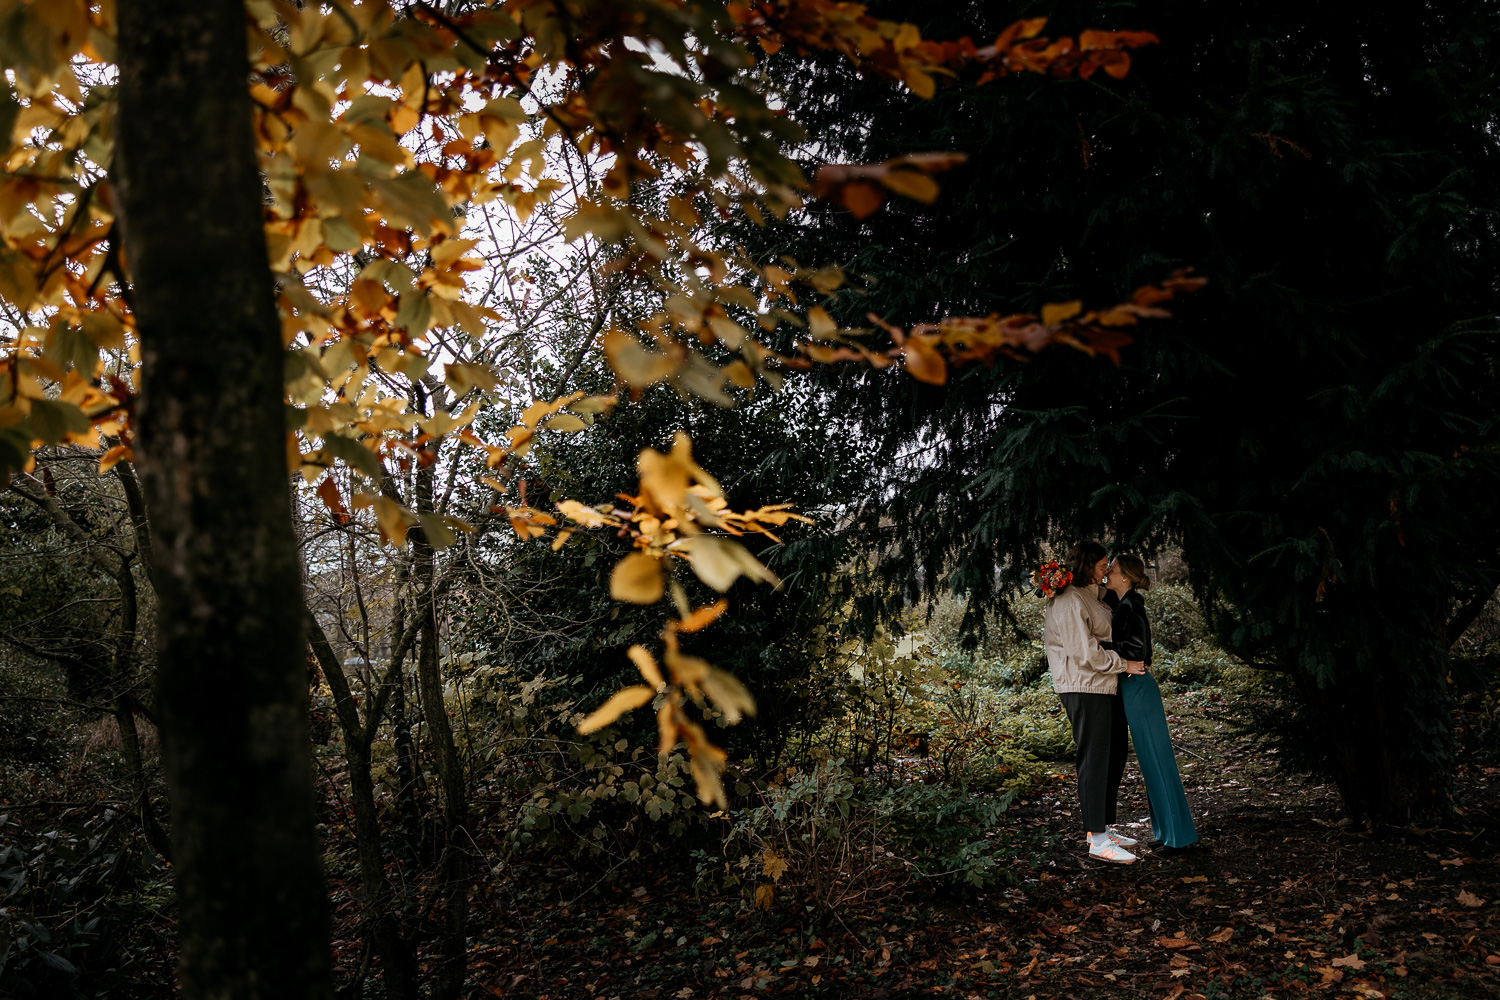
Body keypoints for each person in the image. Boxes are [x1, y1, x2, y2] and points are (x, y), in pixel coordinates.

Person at [1043, 540, 1147, 864]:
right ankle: (1096, 840)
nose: (1108, 569)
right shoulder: (1069, 600)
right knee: (1094, 757)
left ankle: (1105, 827)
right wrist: (1123, 663)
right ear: (1089, 565)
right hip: (1084, 686)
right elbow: (1084, 653)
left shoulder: (1090, 595)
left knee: (1114, 754)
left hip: (1104, 686)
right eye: (1104, 564)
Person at [1101, 555, 1199, 853]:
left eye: (1113, 569)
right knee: (1149, 762)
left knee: (1158, 760)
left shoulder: (1133, 604)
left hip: (1139, 685)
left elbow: (1137, 649)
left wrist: (1101, 647)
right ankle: (1167, 834)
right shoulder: (1119, 601)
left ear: (1126, 577)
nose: (1107, 572)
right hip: (1130, 687)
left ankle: (1180, 838)